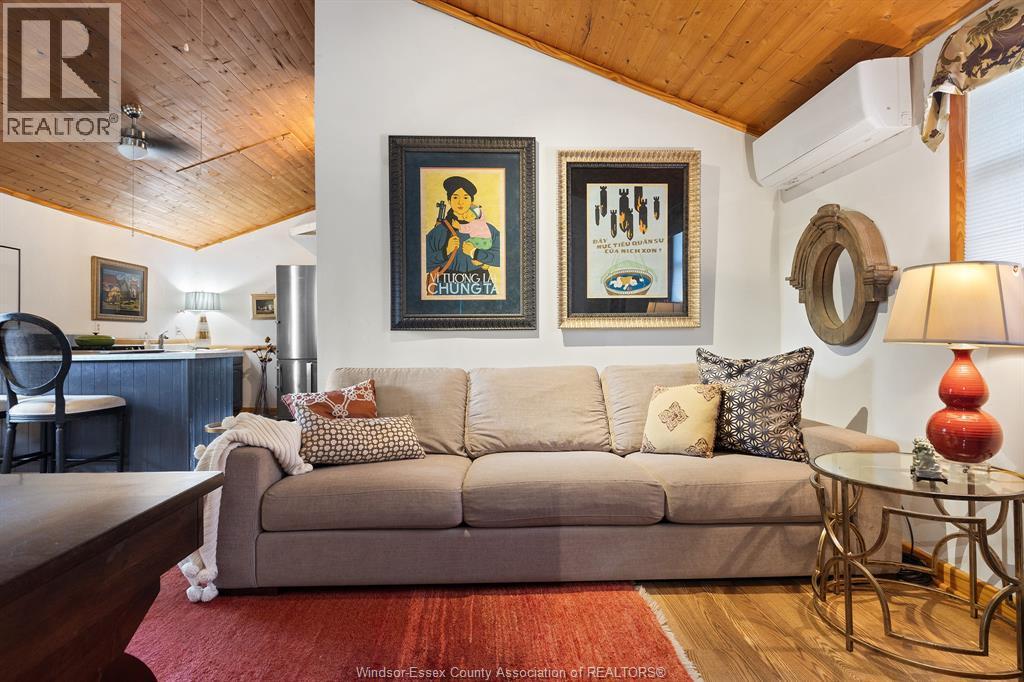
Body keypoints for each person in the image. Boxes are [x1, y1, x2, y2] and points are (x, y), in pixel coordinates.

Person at [425, 175, 501, 294]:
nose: (460, 202)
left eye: (465, 197)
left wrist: (477, 254)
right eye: (455, 197)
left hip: (480, 286)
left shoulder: (487, 229)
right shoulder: (439, 231)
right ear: (449, 200)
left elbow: (501, 257)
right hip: (447, 287)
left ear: (471, 201)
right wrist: (445, 252)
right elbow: (423, 262)